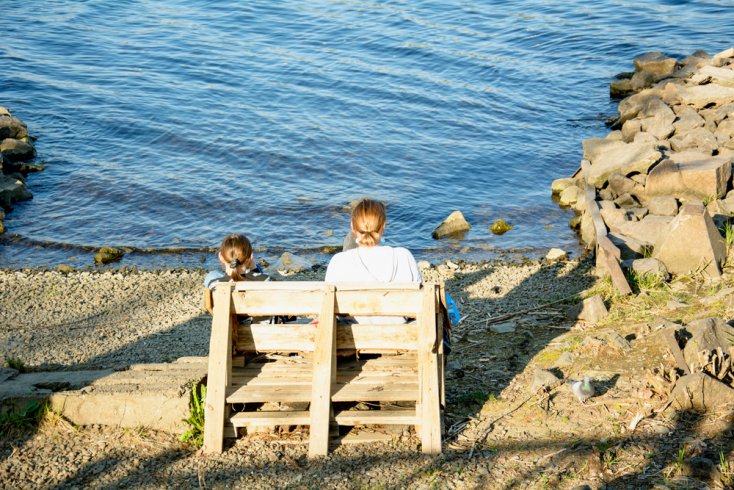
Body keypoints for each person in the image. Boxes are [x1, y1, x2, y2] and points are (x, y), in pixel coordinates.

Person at [204, 233, 268, 289]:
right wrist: (254, 268)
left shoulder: (213, 285)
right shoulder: (266, 281)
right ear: (250, 257)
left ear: (220, 256)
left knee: (212, 274)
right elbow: (260, 279)